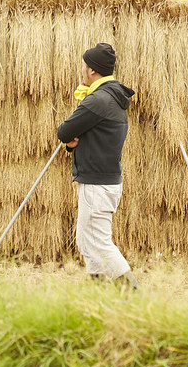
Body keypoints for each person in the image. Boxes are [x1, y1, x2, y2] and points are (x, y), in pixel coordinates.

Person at [57, 43, 139, 289]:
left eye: (84, 64)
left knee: (99, 242)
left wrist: (70, 139)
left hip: (97, 185)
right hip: (102, 181)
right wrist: (73, 145)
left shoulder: (98, 100)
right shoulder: (112, 96)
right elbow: (90, 137)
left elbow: (64, 131)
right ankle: (97, 293)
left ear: (92, 70)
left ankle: (133, 294)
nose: (81, 69)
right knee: (86, 241)